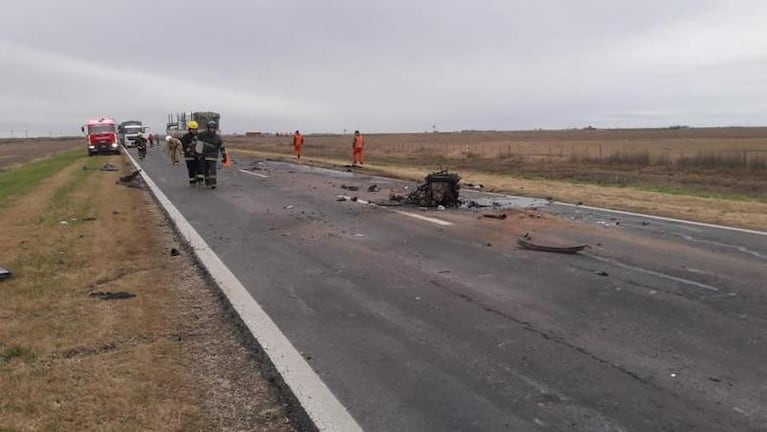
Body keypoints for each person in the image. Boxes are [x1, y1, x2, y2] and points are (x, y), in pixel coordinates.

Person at [196, 120, 227, 189]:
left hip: (213, 156)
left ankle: (213, 183)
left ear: (215, 129)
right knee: (206, 170)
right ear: (208, 128)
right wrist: (198, 155)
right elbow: (199, 145)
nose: (212, 130)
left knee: (213, 169)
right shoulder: (202, 135)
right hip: (203, 156)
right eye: (210, 128)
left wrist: (225, 158)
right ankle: (207, 183)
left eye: (213, 128)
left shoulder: (217, 138)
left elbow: (222, 148)